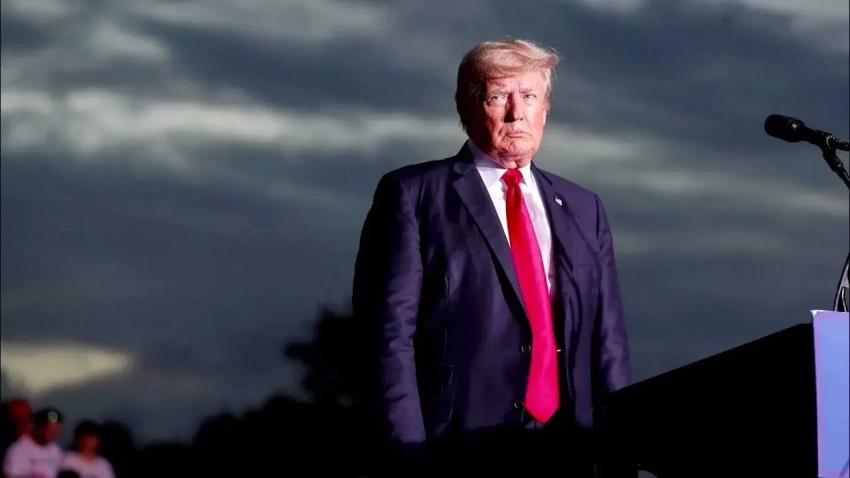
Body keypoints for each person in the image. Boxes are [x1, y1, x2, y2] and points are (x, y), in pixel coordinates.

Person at [353, 38, 631, 465]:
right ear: (465, 108)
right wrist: (406, 454)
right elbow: (388, 336)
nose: (517, 113)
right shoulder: (412, 194)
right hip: (455, 448)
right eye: (498, 96)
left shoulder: (584, 207)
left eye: (529, 96)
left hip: (571, 448)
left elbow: (608, 341)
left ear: (546, 108)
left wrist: (620, 454)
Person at [3, 408, 64, 478]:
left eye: (56, 430)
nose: (53, 433)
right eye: (50, 429)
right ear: (39, 427)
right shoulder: (18, 449)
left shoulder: (55, 449)